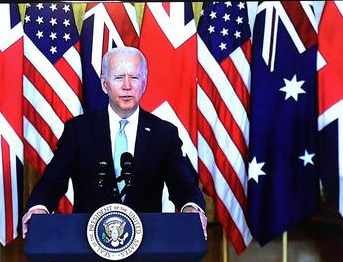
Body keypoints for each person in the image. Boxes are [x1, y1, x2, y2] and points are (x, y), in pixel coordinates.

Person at [22, 46, 206, 236]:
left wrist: (191, 207)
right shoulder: (78, 130)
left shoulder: (164, 133)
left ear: (144, 83)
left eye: (134, 78)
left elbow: (182, 183)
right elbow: (53, 180)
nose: (127, 85)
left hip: (146, 250)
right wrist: (40, 207)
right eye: (119, 78)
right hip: (86, 248)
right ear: (104, 84)